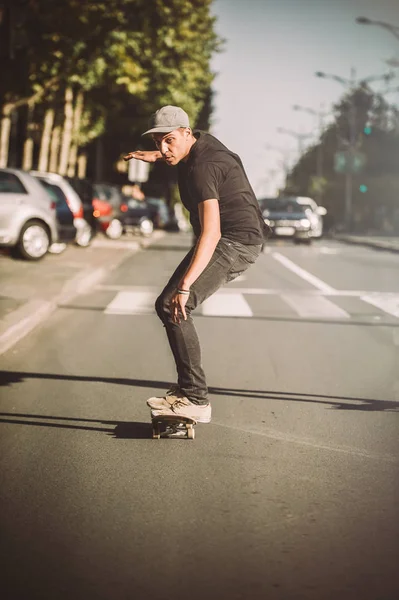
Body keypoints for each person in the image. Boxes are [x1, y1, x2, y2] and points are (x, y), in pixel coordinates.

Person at [124, 105, 267, 424]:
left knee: (175, 305)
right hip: (231, 237)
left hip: (235, 242)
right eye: (158, 142)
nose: (163, 148)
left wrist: (185, 287)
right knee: (168, 305)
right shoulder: (198, 143)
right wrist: (155, 157)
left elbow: (212, 232)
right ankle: (190, 390)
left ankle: (196, 399)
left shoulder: (204, 167)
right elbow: (175, 149)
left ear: (187, 133)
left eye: (169, 141)